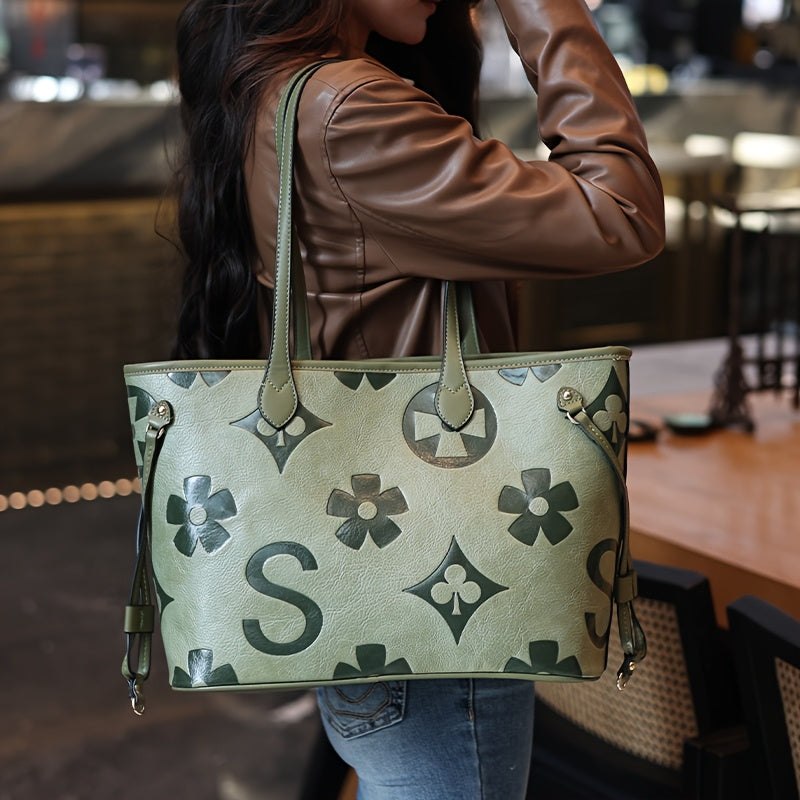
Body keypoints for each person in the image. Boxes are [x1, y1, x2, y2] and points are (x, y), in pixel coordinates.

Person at [170, 0, 665, 797]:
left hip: (377, 568)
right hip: (436, 579)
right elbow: (622, 209)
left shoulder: (278, 88)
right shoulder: (348, 110)